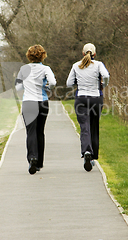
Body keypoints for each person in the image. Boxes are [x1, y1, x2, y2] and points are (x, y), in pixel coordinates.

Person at [66, 43, 109, 172]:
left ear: (83, 53)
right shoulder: (99, 65)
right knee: (94, 126)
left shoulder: (76, 66)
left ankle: (86, 152)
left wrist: (78, 82)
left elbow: (69, 83)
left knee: (85, 127)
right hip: (96, 98)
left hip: (81, 98)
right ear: (94, 54)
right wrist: (103, 85)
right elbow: (106, 76)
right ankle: (93, 156)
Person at [15, 45, 56, 174]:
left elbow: (18, 87)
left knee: (31, 132)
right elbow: (53, 83)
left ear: (29, 55)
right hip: (42, 102)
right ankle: (39, 163)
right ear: (43, 55)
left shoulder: (24, 69)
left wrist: (27, 86)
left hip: (28, 103)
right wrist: (46, 87)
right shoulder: (46, 69)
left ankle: (32, 158)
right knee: (40, 132)